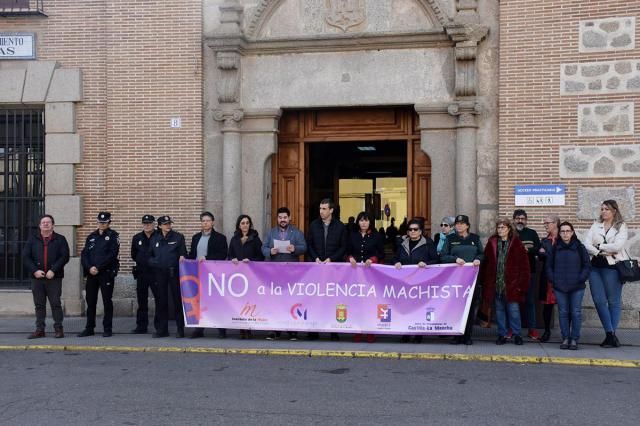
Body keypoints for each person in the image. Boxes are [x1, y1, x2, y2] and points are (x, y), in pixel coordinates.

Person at [583, 199, 629, 348]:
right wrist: (599, 251)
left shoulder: (621, 226)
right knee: (598, 301)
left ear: (614, 211)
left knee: (613, 301)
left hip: (613, 267)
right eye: (602, 209)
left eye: (606, 209)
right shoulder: (596, 225)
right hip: (595, 267)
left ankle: (610, 335)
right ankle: (611, 335)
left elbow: (618, 246)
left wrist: (599, 246)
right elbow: (586, 244)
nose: (603, 211)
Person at [481, 218, 530, 346]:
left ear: (509, 229)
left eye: (503, 227)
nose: (500, 230)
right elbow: (485, 264)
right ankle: (502, 334)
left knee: (514, 311)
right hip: (496, 284)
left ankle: (517, 334)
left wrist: (521, 286)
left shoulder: (517, 244)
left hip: (512, 285)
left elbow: (524, 267)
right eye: (499, 228)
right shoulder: (492, 243)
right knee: (500, 311)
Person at [262, 207, 306, 341]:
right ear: (277, 219)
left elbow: (304, 247)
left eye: (285, 217)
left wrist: (295, 249)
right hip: (274, 273)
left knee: (291, 300)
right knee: (275, 301)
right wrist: (270, 251)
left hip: (291, 273)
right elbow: (263, 247)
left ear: (289, 218)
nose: (282, 220)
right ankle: (274, 330)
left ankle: (292, 331)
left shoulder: (297, 233)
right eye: (280, 217)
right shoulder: (271, 233)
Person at [22, 214, 70, 339]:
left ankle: (59, 329)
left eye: (48, 222)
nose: (46, 224)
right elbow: (25, 257)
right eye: (43, 222)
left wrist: (53, 270)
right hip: (37, 278)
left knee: (55, 304)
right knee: (39, 305)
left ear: (53, 225)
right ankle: (40, 330)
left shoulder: (60, 239)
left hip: (54, 278)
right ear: (39, 225)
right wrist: (35, 271)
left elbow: (64, 256)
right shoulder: (33, 239)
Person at [306, 198, 347, 341]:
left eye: (324, 209)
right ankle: (313, 330)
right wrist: (315, 258)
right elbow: (309, 245)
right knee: (315, 299)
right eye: (320, 208)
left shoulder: (340, 226)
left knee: (333, 299)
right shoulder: (313, 225)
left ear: (331, 210)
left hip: (333, 269)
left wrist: (331, 259)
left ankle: (333, 330)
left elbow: (343, 247)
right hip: (316, 268)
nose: (321, 211)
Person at [545, 222, 591, 350]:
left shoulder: (580, 247)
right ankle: (565, 338)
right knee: (563, 312)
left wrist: (581, 278)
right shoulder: (555, 248)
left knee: (575, 312)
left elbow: (587, 265)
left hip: (577, 286)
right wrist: (553, 279)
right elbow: (548, 266)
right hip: (560, 286)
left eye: (568, 231)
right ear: (559, 233)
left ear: (572, 232)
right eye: (562, 231)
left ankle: (574, 339)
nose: (565, 233)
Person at [441, 215, 483, 345]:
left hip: (471, 279)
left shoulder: (475, 239)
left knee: (470, 307)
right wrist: (455, 259)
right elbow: (443, 256)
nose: (459, 226)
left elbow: (482, 253)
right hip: (455, 280)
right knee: (455, 308)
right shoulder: (450, 239)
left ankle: (467, 336)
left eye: (461, 223)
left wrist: (478, 259)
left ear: (467, 226)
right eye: (457, 224)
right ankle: (456, 336)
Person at [394, 218, 438, 343]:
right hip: (405, 282)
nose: (412, 231)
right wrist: (396, 262)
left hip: (421, 282)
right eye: (410, 229)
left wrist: (426, 263)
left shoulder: (428, 244)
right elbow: (395, 258)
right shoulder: (402, 244)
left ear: (421, 231)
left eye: (415, 229)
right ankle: (406, 332)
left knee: (419, 307)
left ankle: (418, 333)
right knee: (405, 307)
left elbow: (436, 260)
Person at [187, 212, 228, 339]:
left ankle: (221, 328)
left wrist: (207, 257)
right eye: (203, 220)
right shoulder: (195, 238)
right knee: (199, 301)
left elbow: (222, 254)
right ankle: (199, 329)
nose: (205, 223)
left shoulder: (220, 238)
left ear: (213, 222)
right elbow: (192, 254)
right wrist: (184, 258)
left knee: (216, 301)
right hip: (198, 274)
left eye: (208, 220)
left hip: (213, 275)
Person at [79, 212, 120, 337]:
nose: (102, 224)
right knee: (91, 301)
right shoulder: (91, 236)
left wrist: (98, 267)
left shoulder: (113, 236)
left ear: (109, 223)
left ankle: (107, 328)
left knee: (107, 301)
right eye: (100, 222)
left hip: (105, 273)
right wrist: (89, 267)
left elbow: (112, 255)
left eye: (104, 222)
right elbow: (84, 254)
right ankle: (89, 328)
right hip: (92, 274)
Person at [347, 211, 385, 343]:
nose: (363, 223)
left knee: (370, 303)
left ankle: (370, 332)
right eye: (361, 220)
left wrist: (373, 259)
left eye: (366, 220)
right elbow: (346, 251)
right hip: (355, 274)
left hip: (371, 275)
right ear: (358, 222)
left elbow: (381, 253)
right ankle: (357, 331)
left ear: (370, 222)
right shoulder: (352, 236)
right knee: (357, 303)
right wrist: (350, 258)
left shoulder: (377, 236)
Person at [148, 215, 187, 338]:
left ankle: (180, 329)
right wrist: (156, 262)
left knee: (177, 301)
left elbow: (183, 254)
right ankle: (162, 330)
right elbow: (149, 256)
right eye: (165, 224)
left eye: (169, 223)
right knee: (161, 302)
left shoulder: (178, 237)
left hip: (174, 273)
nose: (168, 226)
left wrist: (182, 257)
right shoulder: (154, 238)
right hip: (159, 274)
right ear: (159, 226)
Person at [228, 214, 264, 339]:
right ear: (239, 225)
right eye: (242, 223)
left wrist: (251, 260)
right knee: (240, 301)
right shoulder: (234, 239)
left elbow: (261, 256)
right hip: (238, 276)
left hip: (251, 275)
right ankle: (241, 328)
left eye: (247, 223)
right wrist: (232, 259)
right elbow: (230, 255)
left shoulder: (255, 238)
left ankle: (249, 328)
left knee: (250, 302)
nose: (245, 225)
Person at [513, 209, 541, 340]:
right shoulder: (510, 233)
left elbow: (539, 249)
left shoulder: (532, 233)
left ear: (526, 220)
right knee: (513, 302)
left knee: (530, 301)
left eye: (523, 218)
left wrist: (528, 250)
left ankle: (532, 329)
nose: (520, 221)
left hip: (530, 272)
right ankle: (513, 329)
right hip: (512, 273)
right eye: (518, 218)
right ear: (514, 220)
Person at [130, 215, 157, 334]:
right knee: (142, 301)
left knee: (160, 300)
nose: (147, 225)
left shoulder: (159, 236)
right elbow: (133, 254)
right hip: (142, 273)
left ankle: (160, 326)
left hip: (156, 273)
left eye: (149, 223)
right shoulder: (137, 238)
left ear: (154, 224)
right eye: (145, 223)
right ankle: (141, 326)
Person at [537, 214, 560, 342]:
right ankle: (546, 331)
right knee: (547, 306)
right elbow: (540, 256)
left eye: (548, 223)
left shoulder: (564, 239)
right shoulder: (545, 240)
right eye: (544, 223)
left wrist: (546, 253)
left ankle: (567, 333)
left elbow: (558, 255)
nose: (545, 225)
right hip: (547, 278)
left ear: (556, 223)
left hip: (562, 277)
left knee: (564, 306)